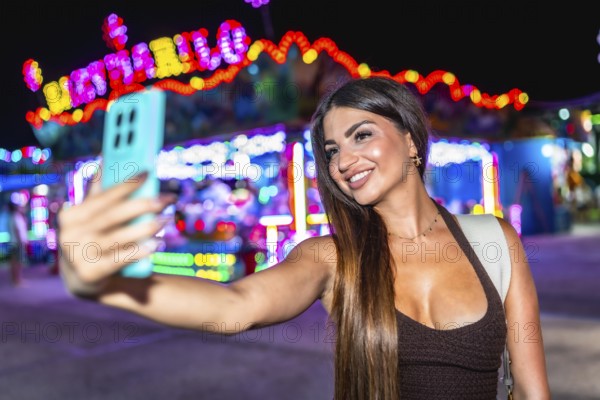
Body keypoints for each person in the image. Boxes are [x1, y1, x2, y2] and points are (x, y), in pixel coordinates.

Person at [57, 76, 550, 399]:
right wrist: (104, 282)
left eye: (362, 135)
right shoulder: (334, 259)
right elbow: (235, 307)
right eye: (331, 149)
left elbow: (532, 391)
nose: (343, 160)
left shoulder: (495, 242)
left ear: (410, 139)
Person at [7, 201, 29, 286]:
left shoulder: (15, 217)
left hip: (15, 242)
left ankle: (16, 279)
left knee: (15, 262)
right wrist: (21, 242)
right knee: (17, 262)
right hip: (17, 243)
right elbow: (18, 231)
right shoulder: (16, 217)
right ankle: (17, 280)